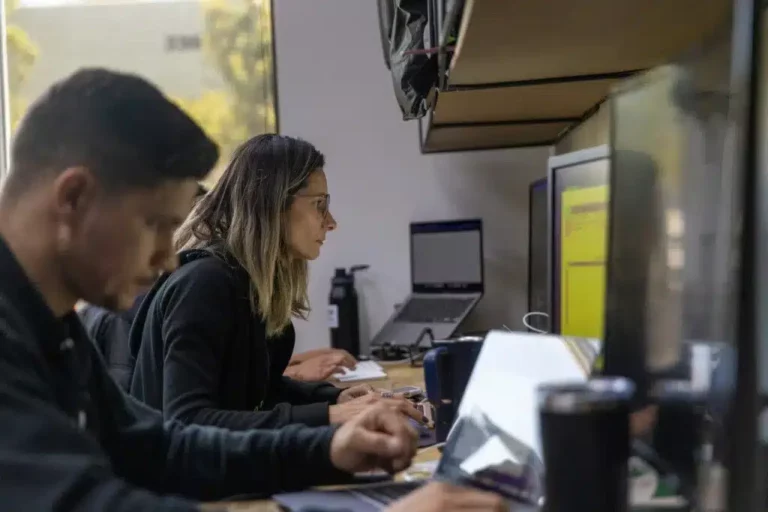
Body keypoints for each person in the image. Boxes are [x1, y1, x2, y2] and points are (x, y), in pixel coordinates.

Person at [0, 68, 422, 510]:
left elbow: (161, 448)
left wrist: (328, 451)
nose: (168, 259)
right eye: (156, 225)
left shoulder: (54, 326)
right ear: (73, 198)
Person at [129, 134, 423, 429]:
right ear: (273, 205)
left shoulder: (243, 284)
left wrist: (336, 399)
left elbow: (255, 396)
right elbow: (189, 420)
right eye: (319, 204)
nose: (331, 221)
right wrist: (330, 415)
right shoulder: (203, 285)